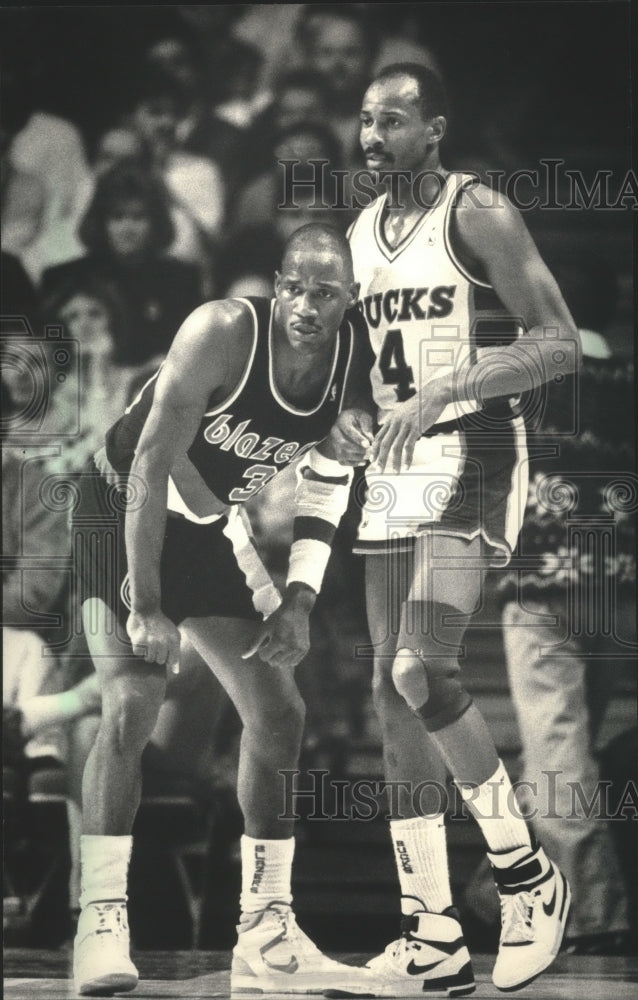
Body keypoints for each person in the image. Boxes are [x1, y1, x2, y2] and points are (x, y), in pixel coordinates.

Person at [71, 223, 375, 997]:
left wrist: (299, 598)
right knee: (134, 697)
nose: (308, 305)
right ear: (277, 287)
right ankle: (100, 919)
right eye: (296, 288)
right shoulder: (218, 332)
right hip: (119, 506)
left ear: (351, 299)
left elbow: (330, 483)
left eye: (326, 293)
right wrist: (145, 604)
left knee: (279, 710)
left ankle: (266, 929)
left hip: (205, 526)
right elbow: (147, 465)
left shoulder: (349, 362)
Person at [333, 63, 579, 995]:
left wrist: (449, 383)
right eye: (363, 121)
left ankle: (526, 880)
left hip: (475, 446)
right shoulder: (360, 233)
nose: (371, 138)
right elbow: (367, 367)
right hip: (396, 461)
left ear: (433, 128)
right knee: (391, 697)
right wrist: (351, 412)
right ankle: (431, 933)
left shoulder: (476, 209)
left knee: (420, 667)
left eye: (392, 122)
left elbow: (557, 339)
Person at [40, 163, 204, 366]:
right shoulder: (64, 279)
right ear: (101, 222)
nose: (127, 229)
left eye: (138, 217)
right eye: (117, 217)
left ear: (156, 222)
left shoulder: (182, 280)